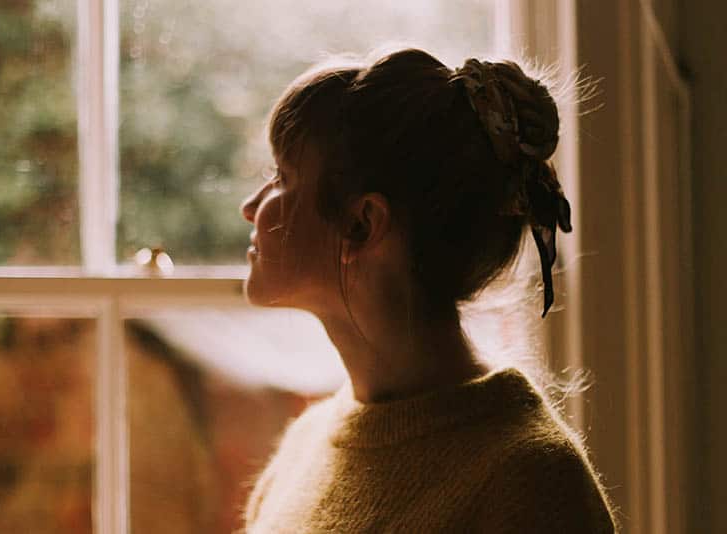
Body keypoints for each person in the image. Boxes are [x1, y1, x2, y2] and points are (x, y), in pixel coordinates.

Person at [239, 48, 616, 533]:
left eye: (281, 178)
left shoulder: (531, 483)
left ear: (362, 224)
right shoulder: (304, 448)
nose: (252, 207)